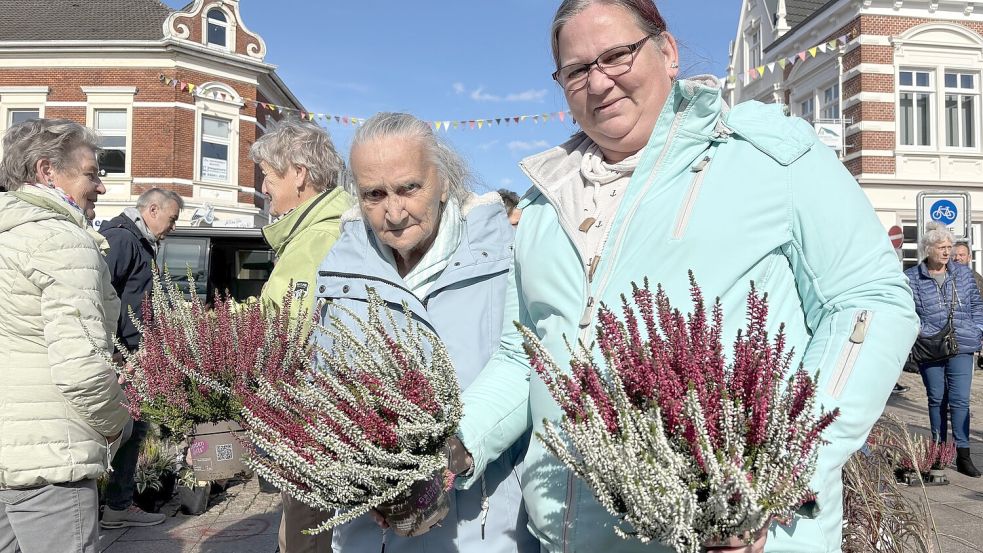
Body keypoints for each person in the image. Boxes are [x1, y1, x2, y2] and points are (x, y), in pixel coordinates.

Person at [450, 1, 920, 552]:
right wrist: (459, 445)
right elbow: (522, 356)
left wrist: (777, 470)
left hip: (736, 535)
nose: (598, 82)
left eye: (617, 55)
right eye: (576, 70)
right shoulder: (543, 204)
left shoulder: (768, 154)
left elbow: (871, 303)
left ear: (667, 52)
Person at [314, 112, 536, 553]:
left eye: (408, 188)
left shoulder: (507, 260)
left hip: (482, 530)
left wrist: (452, 452)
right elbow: (324, 382)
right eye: (373, 194)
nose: (393, 212)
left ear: (444, 181)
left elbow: (528, 368)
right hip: (367, 534)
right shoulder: (339, 267)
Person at [0, 119, 131, 552]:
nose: (102, 187)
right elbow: (81, 370)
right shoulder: (63, 242)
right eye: (93, 173)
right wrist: (119, 425)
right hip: (50, 461)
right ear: (46, 171)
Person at [249, 118, 353, 553]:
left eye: (269, 177)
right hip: (310, 426)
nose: (265, 188)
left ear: (299, 175)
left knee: (306, 537)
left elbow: (295, 338)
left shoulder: (319, 238)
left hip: (312, 427)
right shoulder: (312, 232)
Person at [98, 188, 183, 529]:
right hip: (122, 359)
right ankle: (113, 508)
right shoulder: (122, 240)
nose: (173, 227)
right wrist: (117, 352)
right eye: (172, 218)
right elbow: (99, 296)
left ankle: (116, 507)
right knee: (127, 429)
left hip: (134, 355)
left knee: (134, 428)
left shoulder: (141, 243)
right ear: (152, 209)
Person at [905, 225, 982, 478]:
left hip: (962, 342)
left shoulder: (963, 274)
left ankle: (963, 454)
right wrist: (922, 330)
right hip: (930, 345)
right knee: (936, 399)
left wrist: (978, 328)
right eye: (942, 248)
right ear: (928, 249)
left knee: (960, 400)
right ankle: (938, 452)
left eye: (950, 247)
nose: (948, 252)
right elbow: (908, 312)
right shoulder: (912, 277)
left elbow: (976, 304)